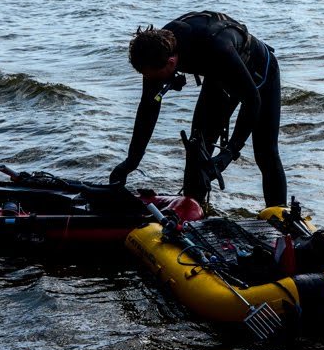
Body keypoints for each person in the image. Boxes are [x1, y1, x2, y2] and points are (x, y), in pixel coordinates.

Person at [110, 11, 287, 208]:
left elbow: (252, 101)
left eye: (155, 77)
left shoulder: (217, 48)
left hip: (260, 75)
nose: (151, 81)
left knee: (265, 152)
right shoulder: (156, 50)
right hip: (219, 75)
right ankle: (193, 212)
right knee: (198, 149)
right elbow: (148, 106)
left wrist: (229, 153)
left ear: (171, 62)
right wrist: (131, 161)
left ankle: (280, 214)